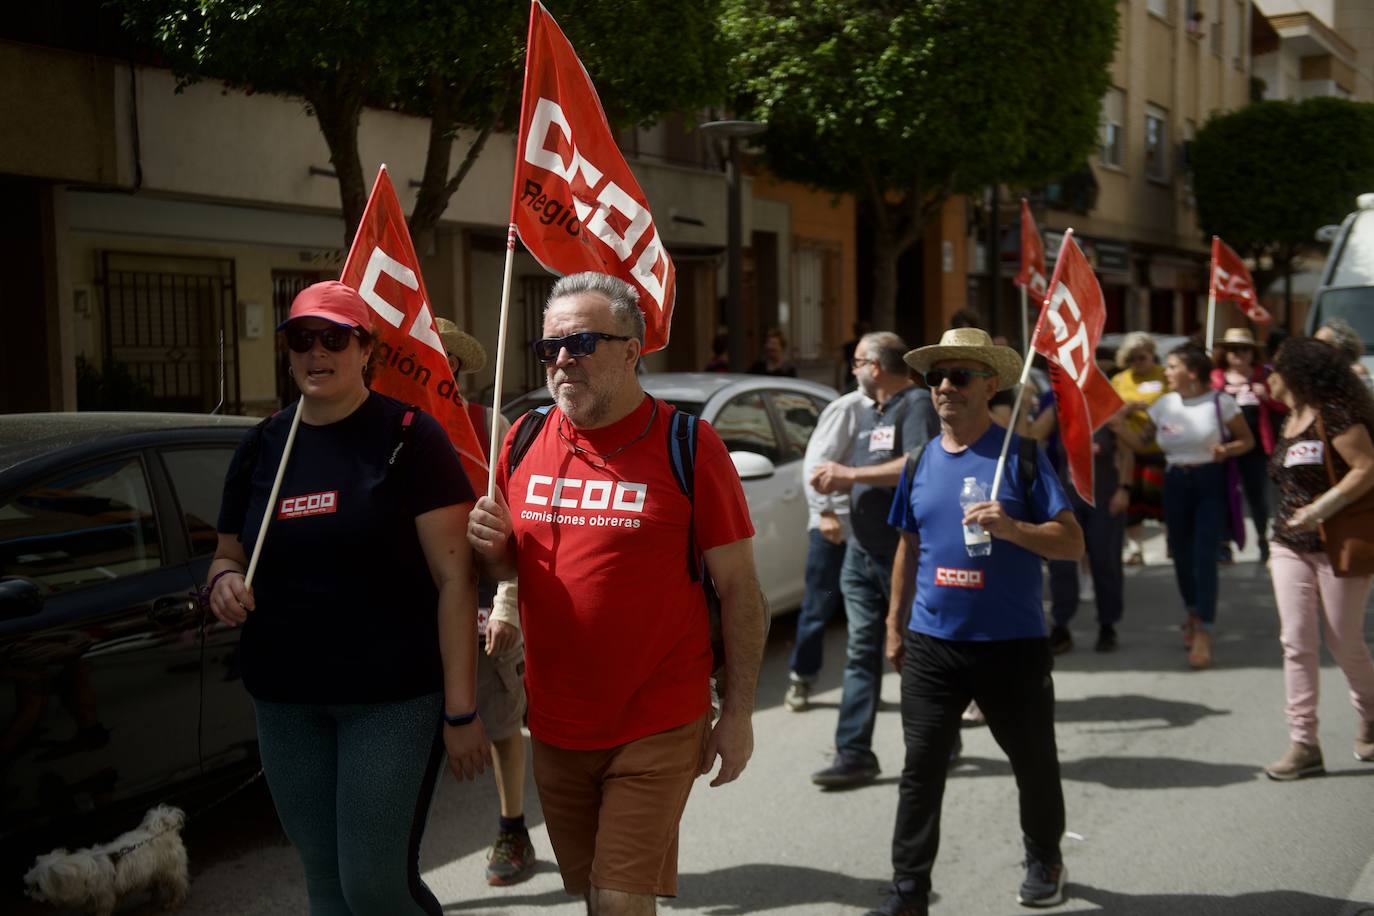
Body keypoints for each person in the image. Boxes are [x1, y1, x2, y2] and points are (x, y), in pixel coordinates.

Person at [466, 271, 766, 916]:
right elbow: (512, 565)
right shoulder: (519, 442)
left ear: (632, 351)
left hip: (658, 716)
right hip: (554, 722)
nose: (562, 360)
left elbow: (740, 588)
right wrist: (492, 551)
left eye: (582, 343)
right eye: (550, 348)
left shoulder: (690, 445)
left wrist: (738, 711)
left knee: (620, 898)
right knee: (594, 892)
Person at [207, 281, 490, 915]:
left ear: (367, 350)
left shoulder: (411, 437)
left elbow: (456, 580)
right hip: (284, 697)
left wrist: (462, 712)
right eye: (301, 339)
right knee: (325, 883)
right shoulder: (262, 446)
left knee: (373, 886)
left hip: (389, 700)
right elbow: (227, 554)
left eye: (335, 338)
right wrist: (223, 582)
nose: (316, 352)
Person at [870, 327, 1084, 916]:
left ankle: (1045, 857)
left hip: (1011, 644)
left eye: (959, 376)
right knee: (921, 768)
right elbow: (908, 549)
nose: (944, 387)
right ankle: (909, 889)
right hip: (933, 644)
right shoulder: (918, 462)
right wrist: (894, 626)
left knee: (1033, 761)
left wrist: (1013, 528)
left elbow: (1071, 545)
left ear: (990, 385)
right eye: (937, 377)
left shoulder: (1021, 456)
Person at [808, 332, 940, 787]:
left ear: (878, 367)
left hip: (903, 554)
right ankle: (854, 753)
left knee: (913, 653)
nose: (853, 369)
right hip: (861, 553)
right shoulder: (872, 411)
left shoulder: (916, 404)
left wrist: (853, 474)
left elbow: (920, 462)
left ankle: (937, 743)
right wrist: (837, 483)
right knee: (861, 652)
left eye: (858, 360)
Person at [434, 317, 537, 885]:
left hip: (480, 588)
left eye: (444, 357)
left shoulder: (485, 425)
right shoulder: (387, 424)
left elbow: (518, 525)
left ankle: (513, 827)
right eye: (425, 355)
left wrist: (507, 603)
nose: (437, 366)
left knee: (500, 720)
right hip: (415, 602)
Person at [1262, 336, 1374, 779]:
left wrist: (1321, 509)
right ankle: (1304, 743)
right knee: (1296, 642)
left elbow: (1367, 466)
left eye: (1275, 367)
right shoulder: (1289, 419)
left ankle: (1369, 713)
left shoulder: (1336, 415)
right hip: (1288, 544)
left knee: (1344, 640)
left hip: (1337, 544)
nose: (1268, 376)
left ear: (1297, 373)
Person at [1113, 345, 1255, 669]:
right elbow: (1141, 442)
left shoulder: (1221, 402)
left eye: (1172, 366)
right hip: (1174, 481)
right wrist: (1120, 425)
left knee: (1204, 555)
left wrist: (1227, 448)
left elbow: (1247, 441)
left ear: (1192, 372)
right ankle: (1192, 609)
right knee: (1179, 553)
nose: (1166, 371)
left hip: (1209, 482)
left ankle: (1205, 627)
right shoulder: (1164, 404)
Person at [785, 388, 869, 712]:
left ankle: (865, 693)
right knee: (819, 605)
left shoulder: (893, 407)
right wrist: (825, 512)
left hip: (870, 527)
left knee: (870, 615)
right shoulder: (848, 408)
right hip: (834, 528)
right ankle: (802, 678)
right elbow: (816, 464)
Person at [1040, 372, 1134, 654]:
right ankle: (1061, 625)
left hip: (1104, 497)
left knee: (1105, 562)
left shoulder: (1108, 409)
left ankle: (1107, 625)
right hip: (1067, 498)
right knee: (1061, 563)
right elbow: (1030, 436)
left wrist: (1124, 488)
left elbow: (1129, 451)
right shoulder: (1061, 408)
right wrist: (1023, 405)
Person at [1210, 327, 1285, 563]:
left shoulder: (1266, 376)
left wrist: (1267, 397)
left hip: (1256, 448)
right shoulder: (1216, 378)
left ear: (1253, 353)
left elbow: (1286, 405)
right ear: (1224, 353)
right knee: (1223, 495)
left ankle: (1263, 540)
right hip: (1226, 448)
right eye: (1232, 350)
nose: (1238, 354)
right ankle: (1224, 544)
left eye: (1244, 349)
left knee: (1256, 496)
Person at [1110, 332, 1168, 566]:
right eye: (1132, 358)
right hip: (1128, 449)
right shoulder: (1120, 380)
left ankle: (1171, 542)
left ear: (1152, 354)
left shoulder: (1164, 376)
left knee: (1160, 495)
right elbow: (1111, 412)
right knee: (1132, 498)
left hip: (1159, 445)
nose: (1138, 362)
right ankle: (1136, 548)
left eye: (1142, 357)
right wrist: (1127, 410)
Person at [1315, 318, 1373, 390]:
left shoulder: (1356, 372)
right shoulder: (1317, 373)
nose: (1317, 349)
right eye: (1315, 344)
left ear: (1340, 346)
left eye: (1324, 345)